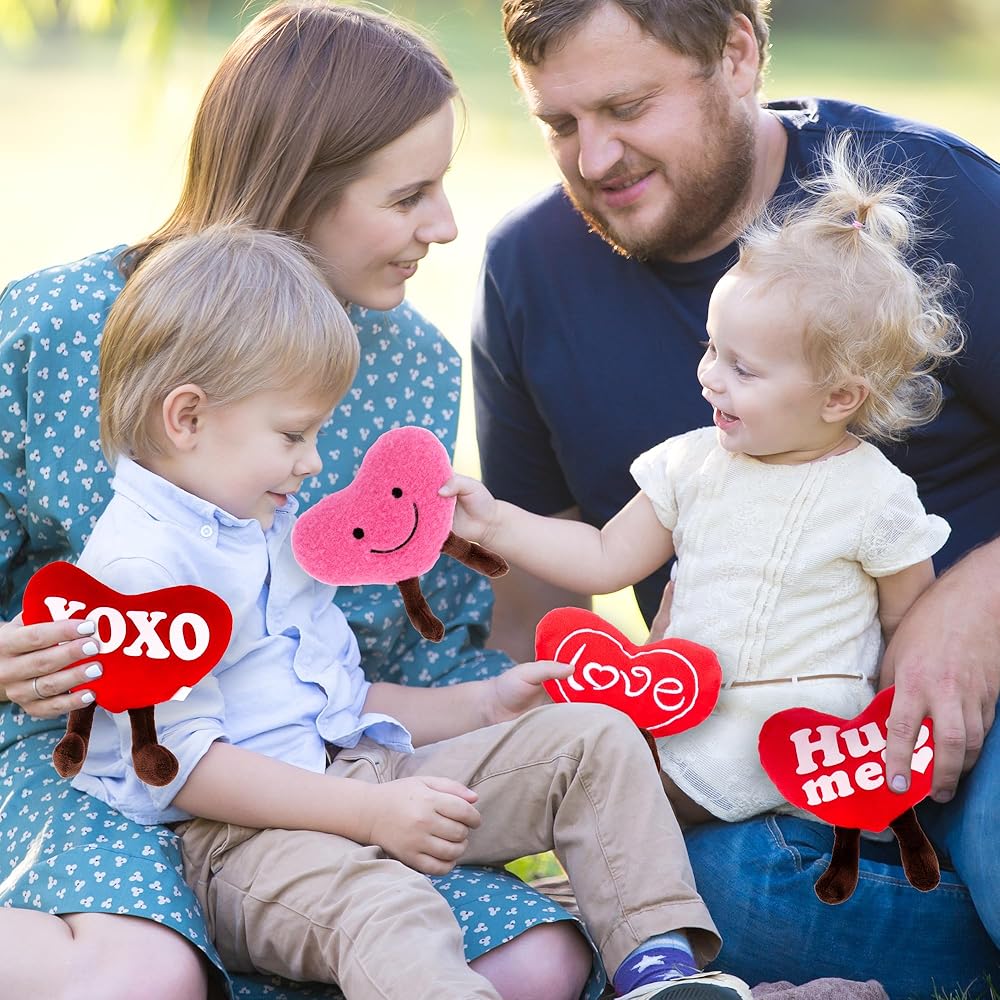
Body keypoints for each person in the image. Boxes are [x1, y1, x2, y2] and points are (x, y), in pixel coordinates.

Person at [0, 4, 600, 998]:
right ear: (297, 188)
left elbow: (407, 638)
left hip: (315, 761)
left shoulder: (409, 364)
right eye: (408, 195)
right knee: (145, 976)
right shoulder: (51, 329)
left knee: (536, 963)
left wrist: (503, 717)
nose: (445, 226)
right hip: (88, 763)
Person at [74, 221, 750, 1000]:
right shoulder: (141, 574)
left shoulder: (256, 521)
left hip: (361, 774)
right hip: (243, 842)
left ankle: (657, 968)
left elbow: (337, 702)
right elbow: (185, 768)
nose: (313, 462)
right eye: (293, 434)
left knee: (592, 740)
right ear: (187, 418)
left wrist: (481, 705)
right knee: (388, 905)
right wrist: (367, 813)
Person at [472, 0, 1000, 995]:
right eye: (559, 122)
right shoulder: (527, 271)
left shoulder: (931, 198)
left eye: (627, 106)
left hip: (975, 703)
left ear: (738, 53)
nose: (593, 158)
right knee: (690, 894)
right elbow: (537, 602)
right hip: (754, 771)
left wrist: (975, 600)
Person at [454, 134, 957, 825]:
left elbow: (910, 627)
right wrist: (494, 522)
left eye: (742, 368)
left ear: (840, 396)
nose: (710, 376)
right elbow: (603, 557)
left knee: (602, 797)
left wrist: (895, 741)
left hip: (803, 741)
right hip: (690, 715)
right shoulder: (691, 464)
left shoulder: (876, 497)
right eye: (712, 347)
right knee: (591, 778)